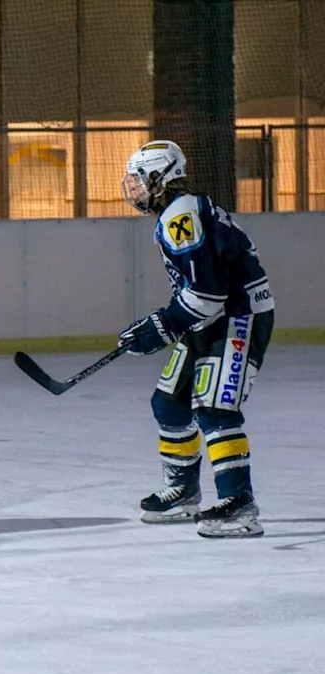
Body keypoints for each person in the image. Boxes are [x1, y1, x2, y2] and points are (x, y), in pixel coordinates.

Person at [118, 140, 274, 538]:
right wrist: (164, 323)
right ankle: (183, 491)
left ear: (159, 177)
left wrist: (161, 326)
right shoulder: (177, 212)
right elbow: (201, 292)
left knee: (216, 408)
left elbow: (209, 293)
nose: (132, 188)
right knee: (169, 401)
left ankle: (238, 503)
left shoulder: (181, 217)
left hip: (238, 316)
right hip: (211, 317)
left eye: (138, 179)